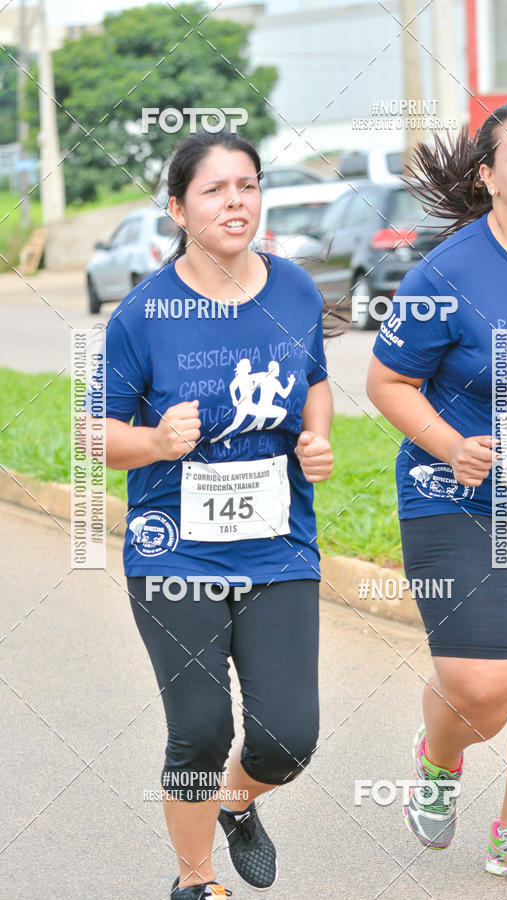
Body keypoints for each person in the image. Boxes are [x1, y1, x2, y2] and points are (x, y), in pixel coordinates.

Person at [90, 130, 334, 898]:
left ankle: (235, 804)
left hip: (277, 545)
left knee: (287, 740)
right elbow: (94, 434)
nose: (236, 201)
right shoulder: (143, 313)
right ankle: (196, 881)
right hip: (174, 552)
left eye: (248, 185)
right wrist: (158, 439)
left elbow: (316, 379)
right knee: (200, 729)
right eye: (215, 190)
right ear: (178, 210)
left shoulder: (294, 289)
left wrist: (317, 435)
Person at [366, 99, 507, 890]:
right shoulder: (448, 273)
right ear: (488, 177)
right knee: (484, 686)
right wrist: (449, 444)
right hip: (463, 495)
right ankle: (438, 760)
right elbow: (388, 381)